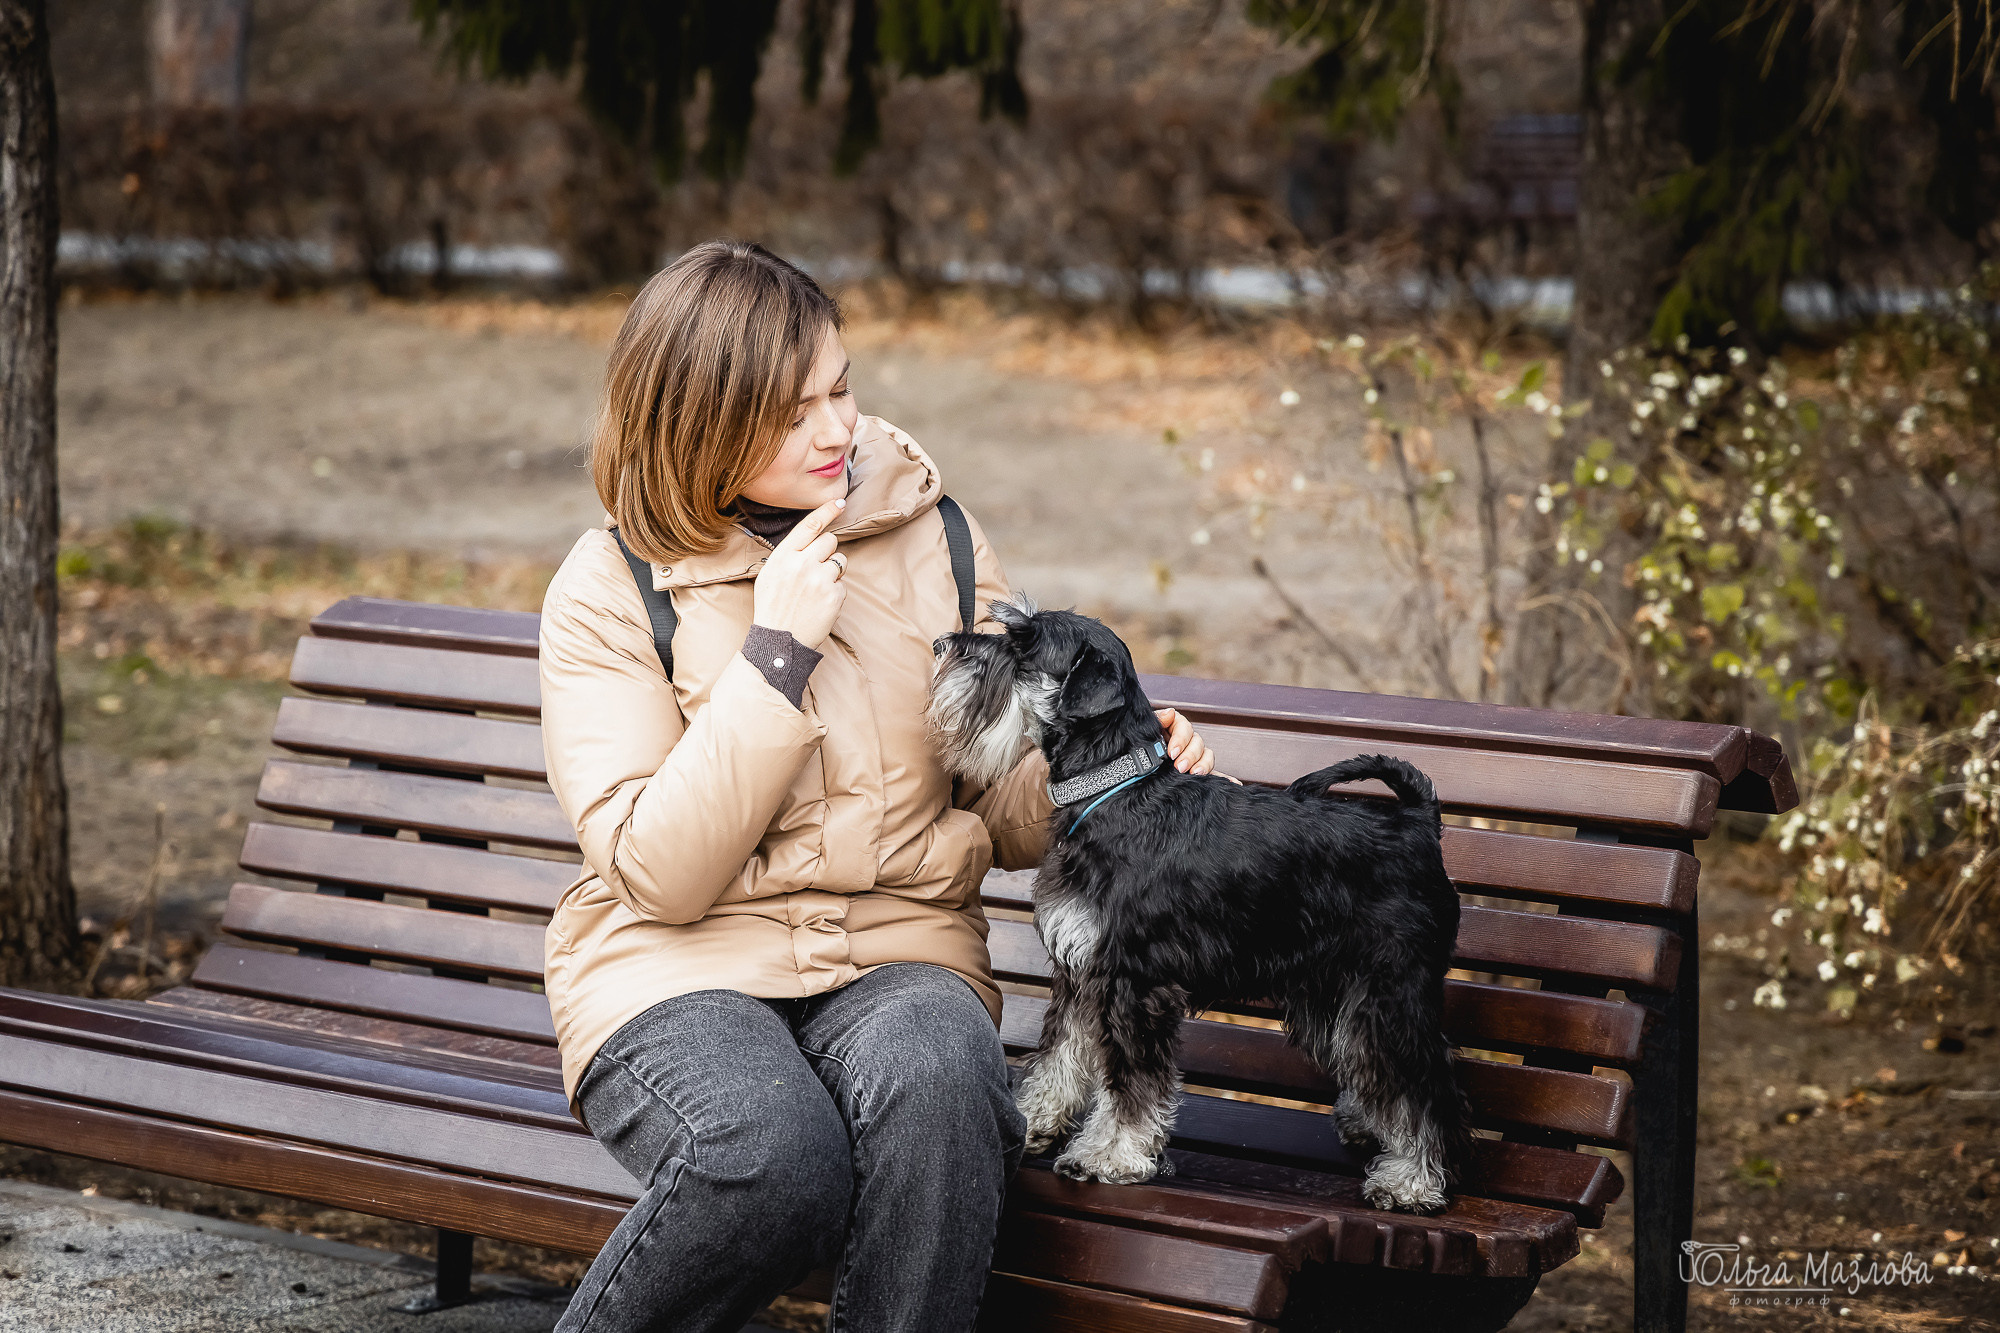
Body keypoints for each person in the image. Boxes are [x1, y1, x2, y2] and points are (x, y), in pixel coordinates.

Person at [537, 240, 1217, 1332]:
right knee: (769, 1156)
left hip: (898, 948)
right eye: (792, 409)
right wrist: (773, 659)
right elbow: (655, 873)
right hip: (677, 966)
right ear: (700, 418)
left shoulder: (935, 534)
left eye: (841, 388)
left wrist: (1115, 770)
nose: (838, 429)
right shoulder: (610, 584)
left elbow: (1000, 807)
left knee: (947, 1093)